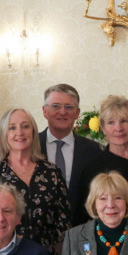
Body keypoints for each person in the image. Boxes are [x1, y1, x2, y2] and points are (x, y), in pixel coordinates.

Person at [0, 107, 71, 255]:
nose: (19, 132)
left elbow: (64, 222)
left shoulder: (52, 172)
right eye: (12, 127)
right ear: (4, 134)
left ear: (34, 132)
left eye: (25, 126)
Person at [74, 95, 128, 227]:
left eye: (124, 121)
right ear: (103, 129)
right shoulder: (93, 167)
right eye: (111, 122)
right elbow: (85, 212)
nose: (118, 128)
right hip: (109, 236)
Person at [40, 83, 102, 219]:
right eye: (56, 106)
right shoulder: (31, 146)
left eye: (69, 107)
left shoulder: (94, 151)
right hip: (39, 230)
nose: (62, 112)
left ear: (77, 113)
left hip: (81, 229)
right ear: (45, 111)